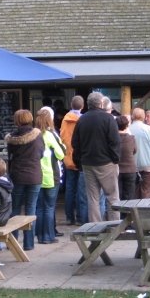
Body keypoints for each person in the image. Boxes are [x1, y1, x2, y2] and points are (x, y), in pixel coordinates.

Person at [71, 91, 120, 223]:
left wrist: (79, 161)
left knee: (93, 198)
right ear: (101, 103)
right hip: (107, 163)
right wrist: (115, 158)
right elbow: (114, 141)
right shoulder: (108, 118)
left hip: (87, 163)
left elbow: (75, 143)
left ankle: (95, 227)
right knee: (112, 196)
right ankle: (114, 225)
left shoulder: (82, 120)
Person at [5, 109, 45, 251]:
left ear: (16, 120)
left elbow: (10, 156)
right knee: (31, 209)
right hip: (34, 175)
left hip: (17, 176)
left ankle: (13, 243)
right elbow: (41, 153)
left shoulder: (11, 138)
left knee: (15, 209)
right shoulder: (37, 135)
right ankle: (29, 244)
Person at [34, 108, 65, 244]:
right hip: (51, 176)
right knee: (49, 207)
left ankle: (39, 236)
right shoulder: (50, 135)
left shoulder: (33, 134)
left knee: (39, 207)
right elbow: (61, 154)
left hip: (36, 175)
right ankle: (48, 237)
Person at [60, 95, 87, 225]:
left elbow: (62, 137)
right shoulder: (83, 120)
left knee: (70, 188)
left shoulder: (65, 120)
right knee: (81, 190)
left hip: (68, 157)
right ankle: (80, 217)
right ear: (82, 107)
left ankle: (69, 217)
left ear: (71, 105)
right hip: (80, 158)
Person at [129, 108, 150, 199]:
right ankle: (145, 211)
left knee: (135, 189)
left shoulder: (128, 129)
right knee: (146, 190)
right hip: (148, 164)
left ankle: (134, 211)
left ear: (132, 117)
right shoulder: (149, 129)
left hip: (132, 164)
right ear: (143, 117)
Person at [116, 116, 137, 201]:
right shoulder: (132, 138)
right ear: (127, 126)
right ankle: (128, 214)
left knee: (118, 195)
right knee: (129, 196)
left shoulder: (113, 139)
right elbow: (134, 151)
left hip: (117, 169)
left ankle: (118, 214)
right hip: (130, 169)